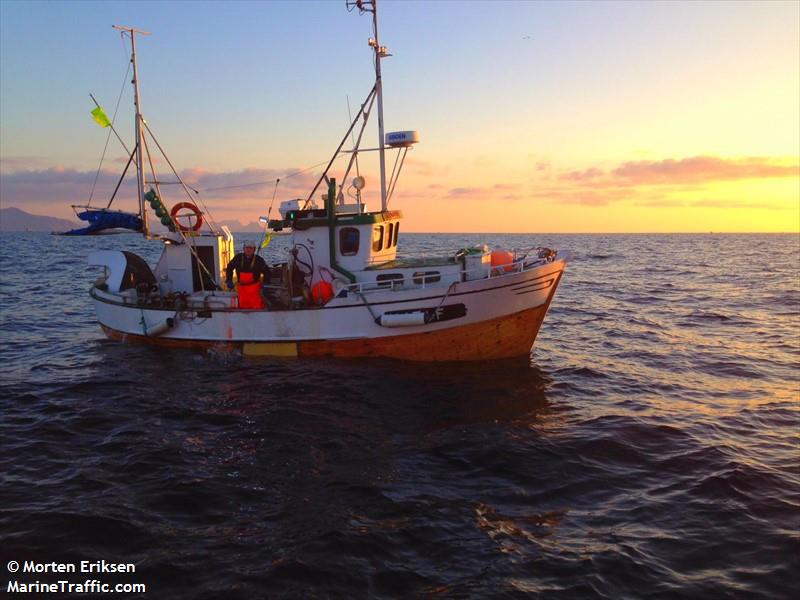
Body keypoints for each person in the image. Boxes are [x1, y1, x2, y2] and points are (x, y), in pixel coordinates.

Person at [225, 241, 270, 309]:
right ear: (243, 249)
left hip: (254, 290)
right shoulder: (238, 258)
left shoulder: (259, 260)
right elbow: (229, 267)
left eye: (250, 248)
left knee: (257, 307)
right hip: (242, 289)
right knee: (243, 308)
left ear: (254, 250)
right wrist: (229, 280)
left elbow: (267, 272)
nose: (248, 249)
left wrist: (265, 284)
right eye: (247, 248)